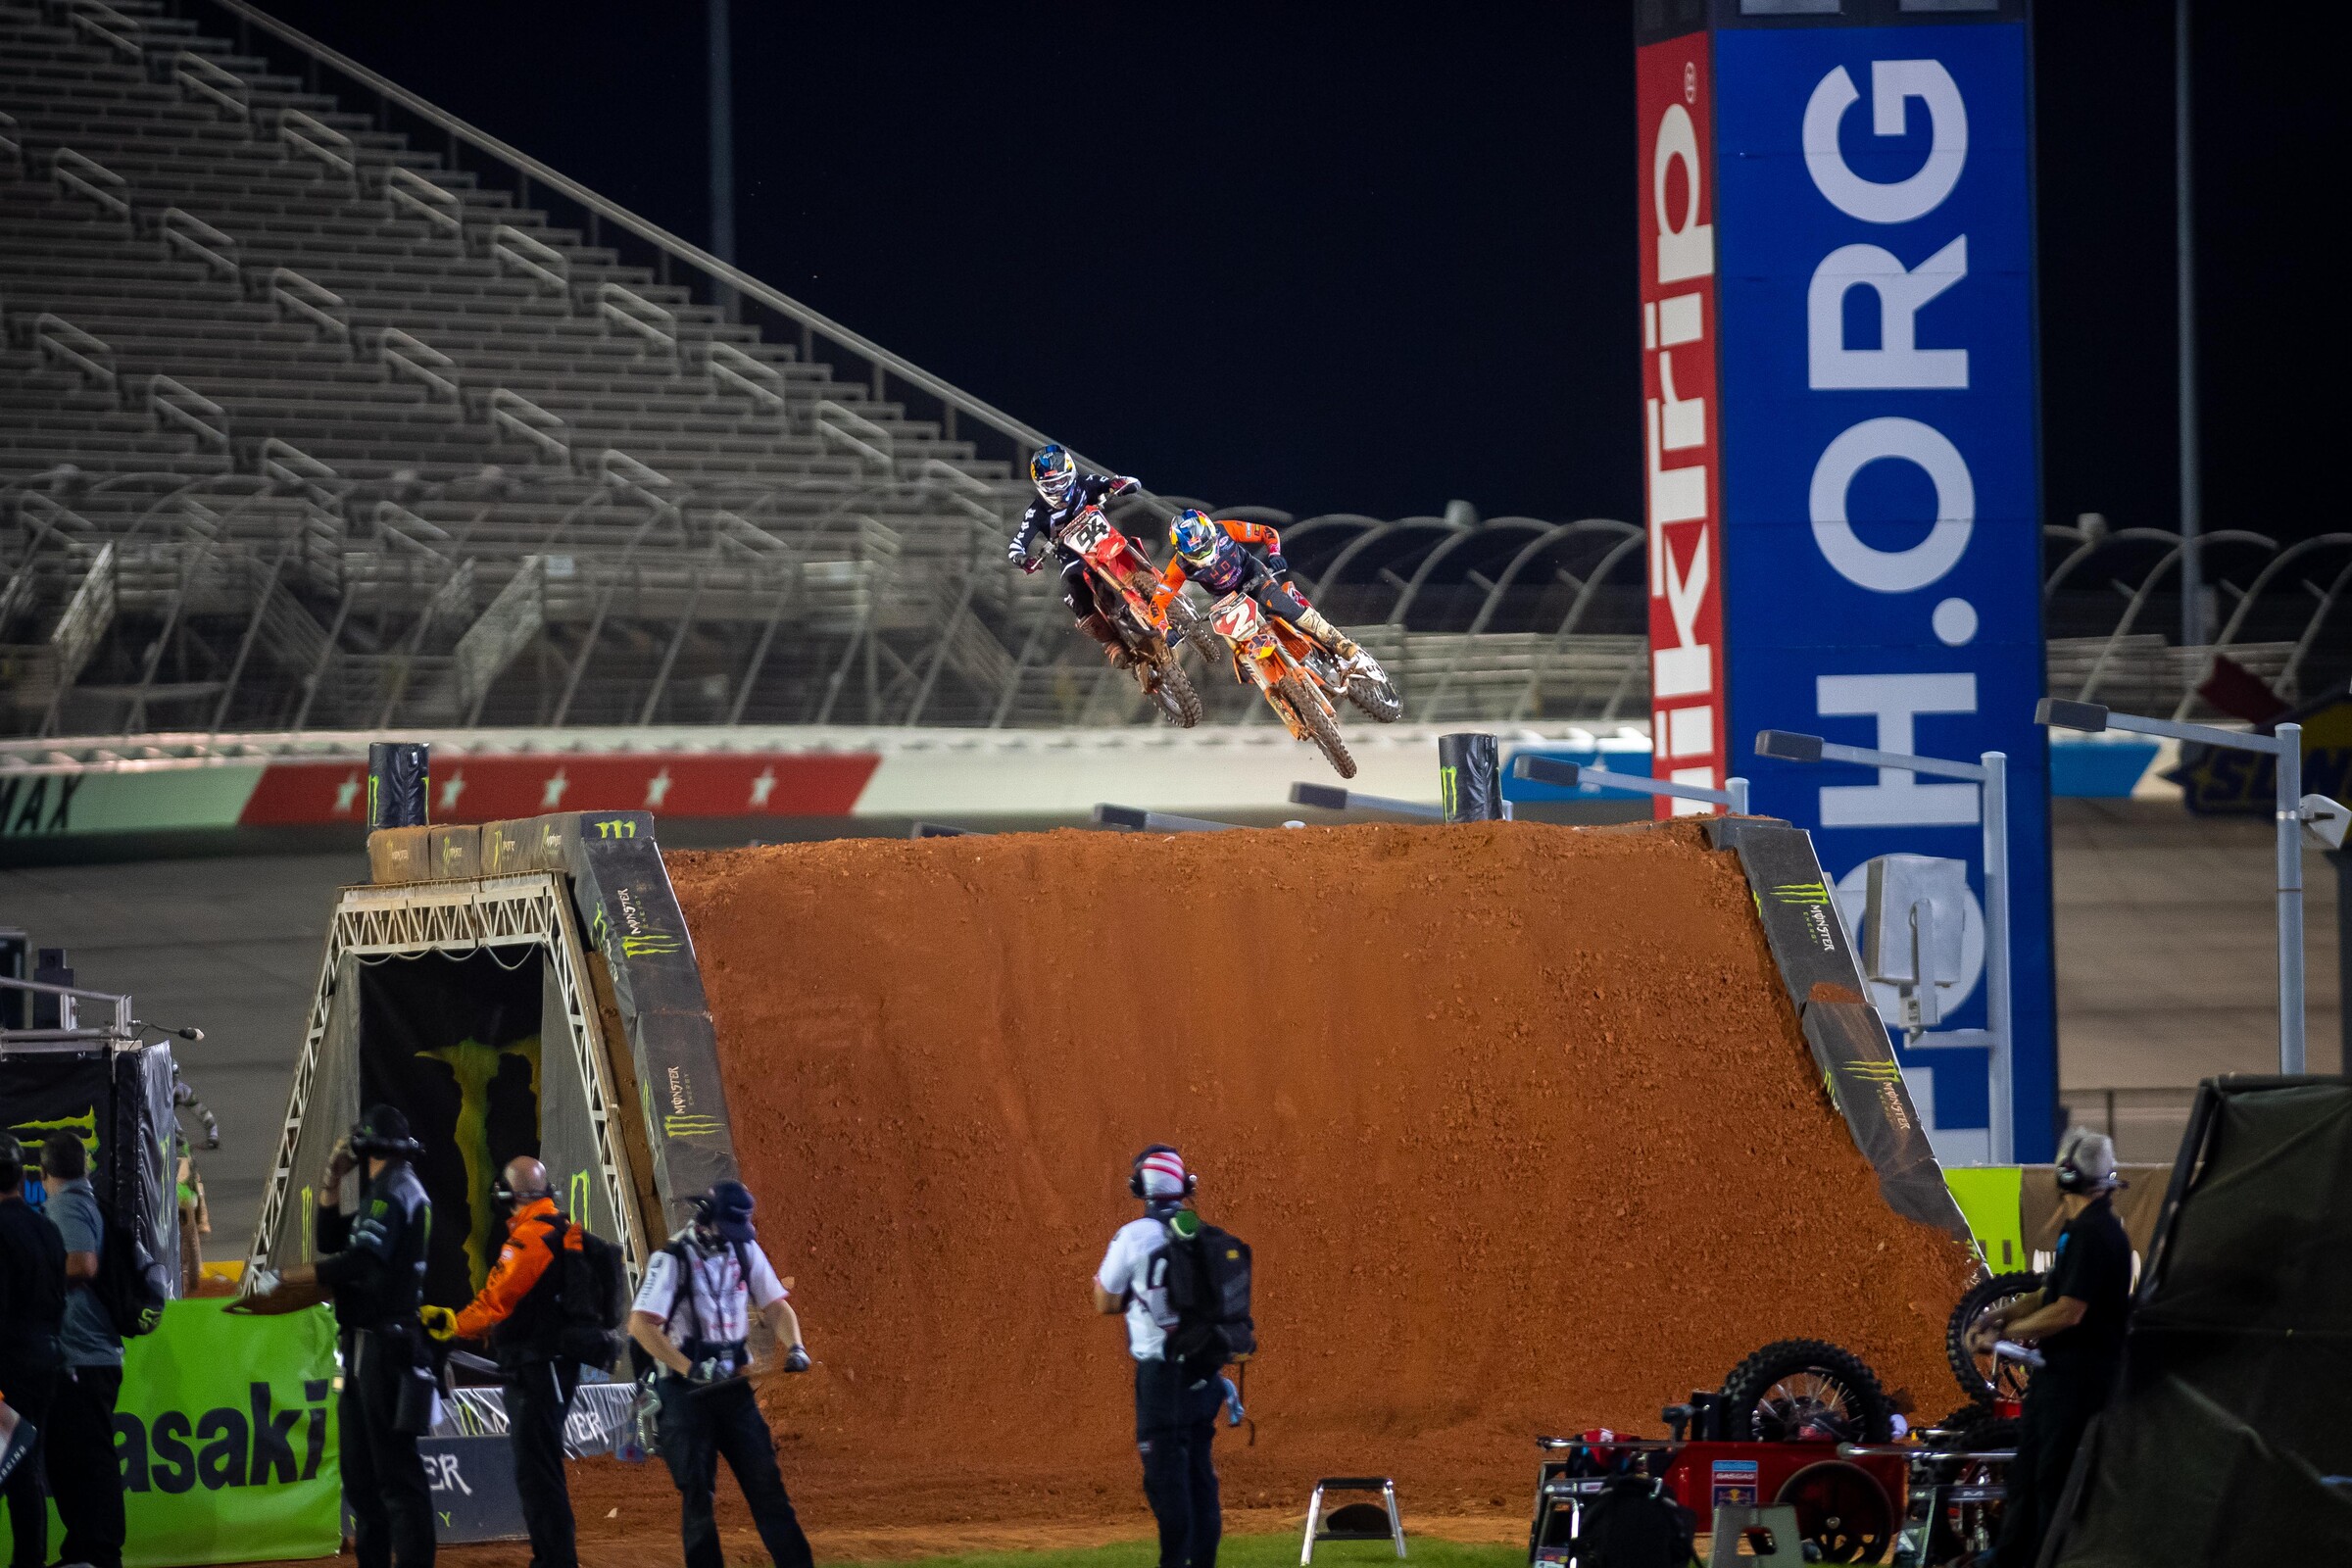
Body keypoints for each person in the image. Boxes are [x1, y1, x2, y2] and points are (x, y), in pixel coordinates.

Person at [274, 1105, 436, 1568]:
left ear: (363, 1147)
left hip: (383, 1347)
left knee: (394, 1475)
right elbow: (331, 1240)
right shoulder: (387, 1191)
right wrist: (330, 1183)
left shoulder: (394, 1192)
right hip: (365, 1348)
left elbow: (360, 1261)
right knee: (362, 1477)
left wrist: (286, 1277)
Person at [627, 1179, 814, 1568]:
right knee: (698, 1496)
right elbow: (641, 1325)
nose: (734, 1236)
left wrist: (796, 1346)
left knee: (767, 1487)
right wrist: (689, 1367)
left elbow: (776, 1306)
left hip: (732, 1388)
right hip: (684, 1392)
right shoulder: (672, 1258)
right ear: (706, 1218)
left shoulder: (744, 1248)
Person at [1972, 1128, 2134, 1567]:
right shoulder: (2078, 1230)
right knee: (2027, 1474)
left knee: (2052, 1480)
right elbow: (2050, 1293)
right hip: (2057, 1375)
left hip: (2081, 1379)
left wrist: (2007, 1333)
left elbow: (2068, 1312)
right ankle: (2011, 1557)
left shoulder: (2095, 1233)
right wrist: (1996, 1316)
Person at [420, 1157, 583, 1568]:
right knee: (541, 1468)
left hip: (537, 1368)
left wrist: (452, 1324)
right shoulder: (560, 1227)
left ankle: (555, 1562)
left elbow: (496, 1302)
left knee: (537, 1472)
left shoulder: (530, 1238)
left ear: (509, 1194)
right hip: (554, 1365)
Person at [1094, 1145, 1225, 1568]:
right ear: (1184, 1186)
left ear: (1141, 1187)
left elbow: (1104, 1301)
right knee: (1201, 1478)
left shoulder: (1133, 1236)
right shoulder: (1202, 1233)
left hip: (1161, 1376)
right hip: (1204, 1373)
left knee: (1166, 1479)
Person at [41, 1132, 125, 1568]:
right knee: (80, 1458)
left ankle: (96, 1553)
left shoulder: (66, 1205)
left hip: (82, 1357)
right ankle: (88, 1551)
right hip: (92, 1354)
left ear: (44, 1173)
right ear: (86, 1166)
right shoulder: (89, 1202)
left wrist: (36, 1280)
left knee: (86, 1460)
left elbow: (82, 1263)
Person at [1159, 510, 1363, 664]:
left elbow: (1266, 532)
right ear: (1181, 551)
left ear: (1211, 533)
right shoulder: (1178, 567)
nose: (1203, 554)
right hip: (1225, 598)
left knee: (1282, 605)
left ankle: (1336, 640)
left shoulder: (1225, 529)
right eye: (1195, 553)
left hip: (1252, 575)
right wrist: (1165, 629)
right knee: (1239, 647)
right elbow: (1157, 603)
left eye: (1205, 545)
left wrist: (1274, 554)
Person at [1004, 442, 1145, 665]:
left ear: (1070, 473)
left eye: (1061, 480)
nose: (1058, 488)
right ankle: (1111, 643)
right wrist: (1023, 559)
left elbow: (1111, 483)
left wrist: (1122, 484)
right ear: (1040, 485)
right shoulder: (1036, 512)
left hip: (1106, 542)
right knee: (1073, 593)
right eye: (1051, 484)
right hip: (1073, 558)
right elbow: (1016, 545)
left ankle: (1156, 587)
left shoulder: (1085, 483)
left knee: (1131, 548)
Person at [0, 1134, 64, 1568]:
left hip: (9, 1369)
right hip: (46, 1363)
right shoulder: (46, 1227)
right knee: (26, 1472)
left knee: (20, 1474)